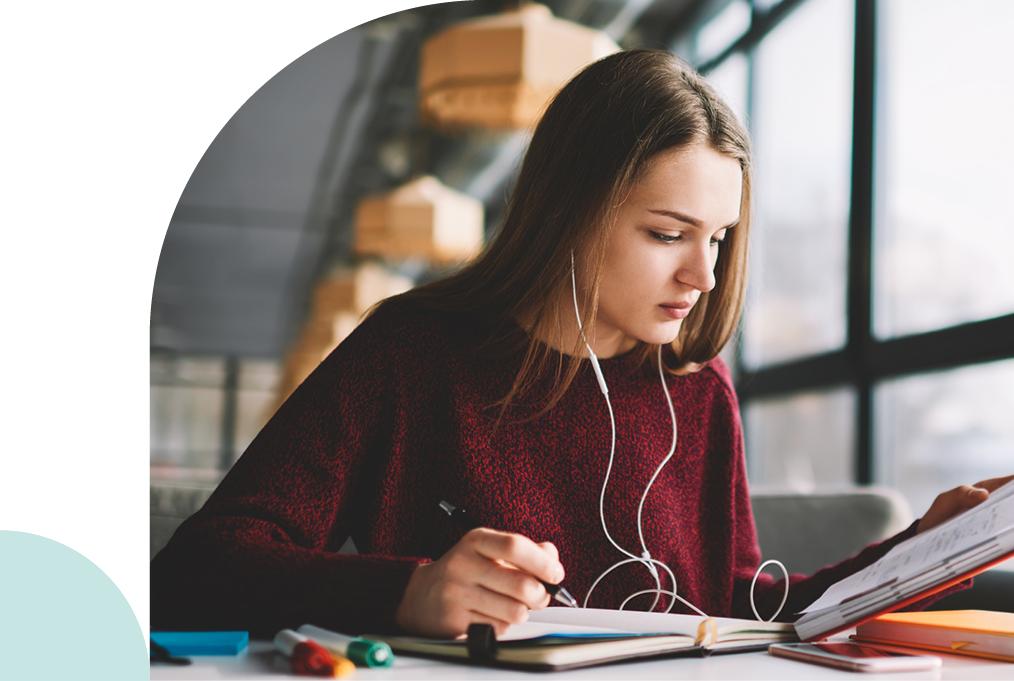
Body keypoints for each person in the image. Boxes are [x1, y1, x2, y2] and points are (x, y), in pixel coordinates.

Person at [149, 49, 1011, 640]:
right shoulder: (412, 354)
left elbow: (737, 602)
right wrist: (407, 593)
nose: (704, 277)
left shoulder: (697, 392)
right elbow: (194, 571)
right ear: (572, 210)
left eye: (717, 239)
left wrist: (917, 549)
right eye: (669, 232)